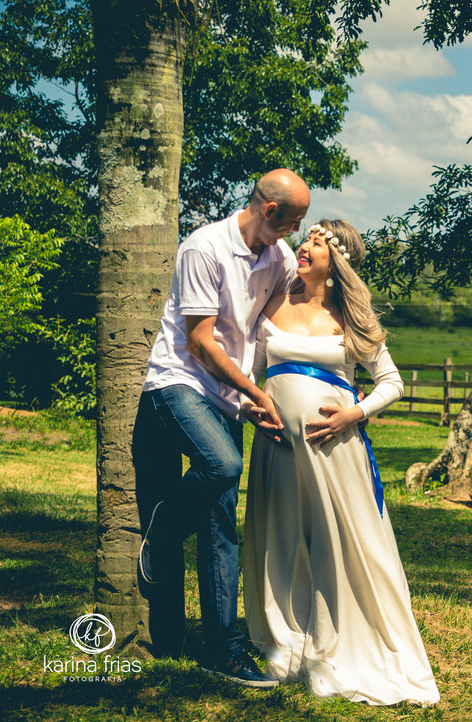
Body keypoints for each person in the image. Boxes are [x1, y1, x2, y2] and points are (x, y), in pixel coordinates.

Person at [241, 219, 440, 706]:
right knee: (280, 537)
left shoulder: (352, 319)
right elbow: (250, 371)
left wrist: (354, 413)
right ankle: (286, 640)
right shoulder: (273, 302)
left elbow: (392, 382)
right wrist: (249, 407)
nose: (303, 246)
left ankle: (346, 638)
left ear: (337, 265)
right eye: (305, 238)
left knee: (341, 543)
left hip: (334, 450)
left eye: (316, 242)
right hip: (277, 447)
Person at [135, 168, 310, 687]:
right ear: (270, 211)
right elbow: (199, 342)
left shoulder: (278, 258)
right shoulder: (204, 247)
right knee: (223, 463)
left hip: (227, 396)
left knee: (221, 523)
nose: (297, 232)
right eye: (294, 221)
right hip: (177, 382)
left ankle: (222, 647)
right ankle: (163, 533)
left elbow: (277, 327)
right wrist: (255, 392)